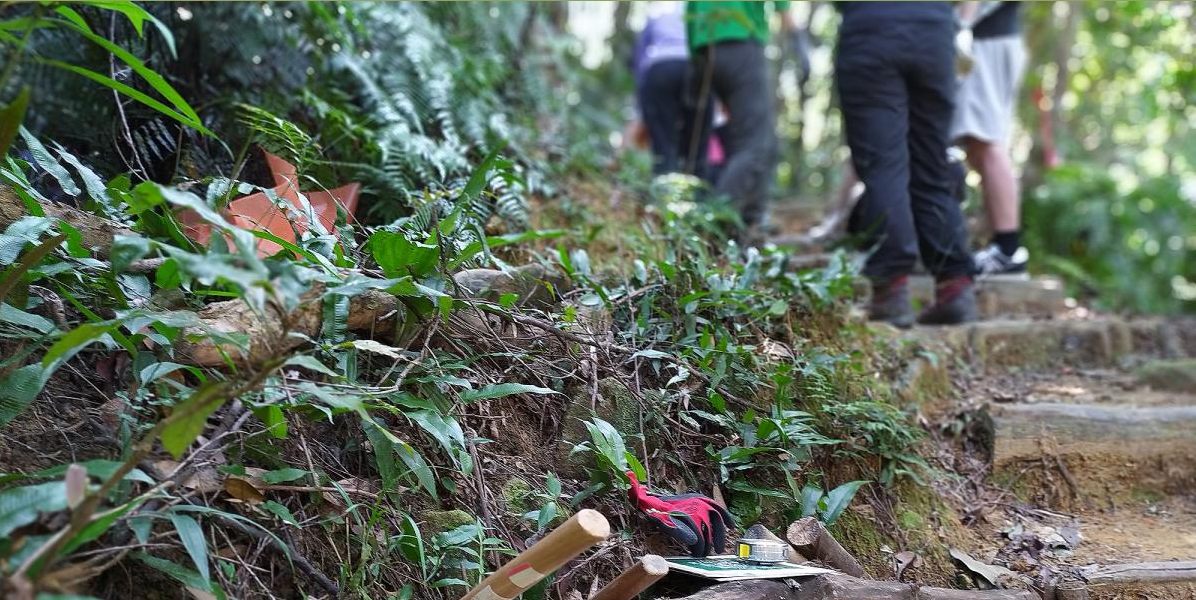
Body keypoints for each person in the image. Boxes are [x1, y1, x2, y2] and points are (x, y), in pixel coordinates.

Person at [836, 1, 977, 327]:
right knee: (931, 163)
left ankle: (891, 289)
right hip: (933, 32)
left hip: (871, 29)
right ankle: (955, 287)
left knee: (883, 165)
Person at [682, 1, 798, 233]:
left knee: (752, 142)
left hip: (706, 49)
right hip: (741, 41)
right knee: (758, 145)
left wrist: (696, 58)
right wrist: (797, 38)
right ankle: (714, 222)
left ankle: (750, 222)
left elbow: (690, 12)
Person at [953, 1, 1028, 277]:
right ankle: (1003, 247)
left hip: (986, 41)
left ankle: (1009, 250)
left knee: (986, 143)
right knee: (977, 147)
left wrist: (963, 25)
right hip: (990, 39)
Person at [631, 1, 695, 175]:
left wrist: (641, 97)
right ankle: (694, 186)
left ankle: (664, 184)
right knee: (695, 144)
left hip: (660, 68)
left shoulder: (657, 9)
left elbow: (641, 54)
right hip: (695, 67)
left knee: (663, 141)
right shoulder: (697, 6)